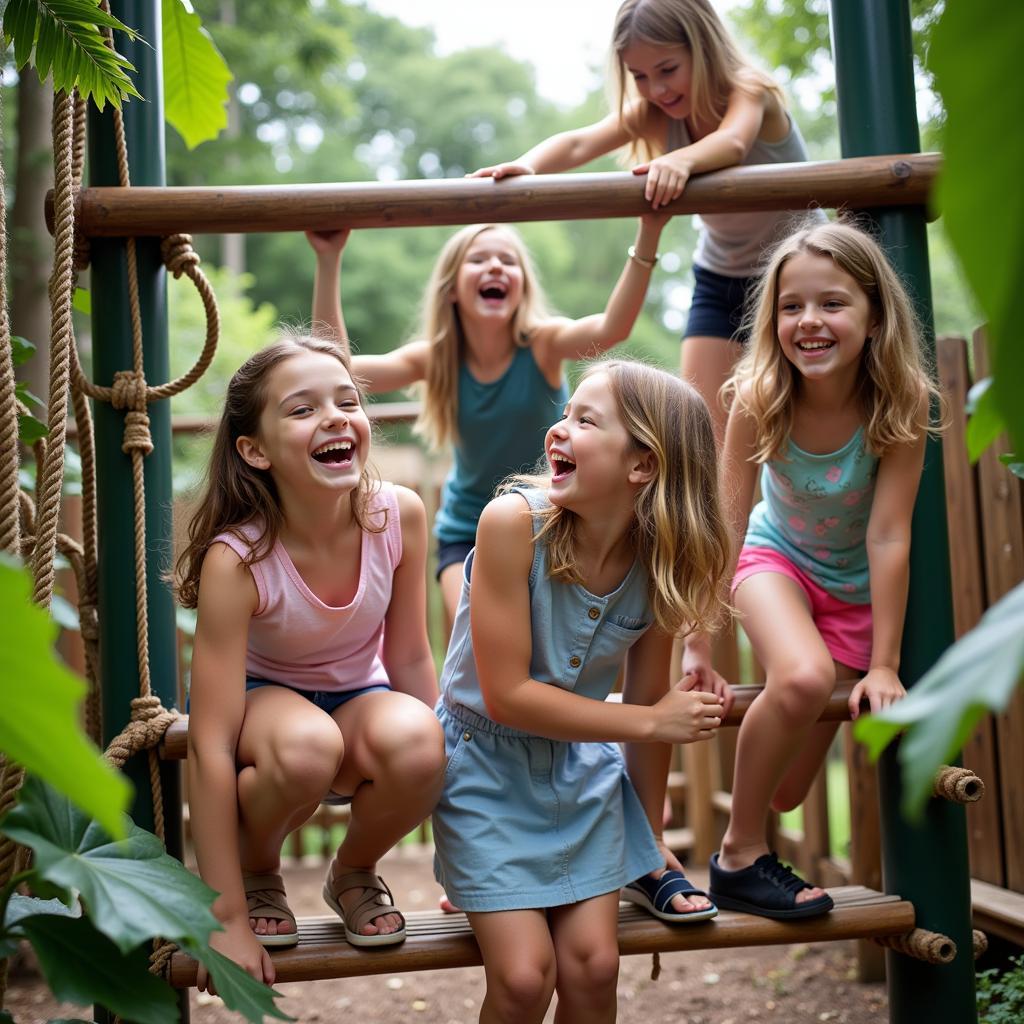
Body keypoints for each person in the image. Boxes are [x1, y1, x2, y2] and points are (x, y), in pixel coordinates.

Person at [433, 358, 733, 1024]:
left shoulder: (661, 561)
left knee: (595, 969)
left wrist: (649, 844)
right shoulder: (512, 524)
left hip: (583, 777)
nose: (557, 429)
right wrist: (651, 723)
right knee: (521, 977)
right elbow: (507, 695)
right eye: (566, 414)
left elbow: (653, 701)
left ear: (643, 466)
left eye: (585, 420)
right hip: (484, 771)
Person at [175, 332, 446, 988]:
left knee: (420, 741)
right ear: (255, 450)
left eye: (347, 401)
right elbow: (209, 744)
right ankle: (258, 867)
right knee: (306, 747)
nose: (333, 417)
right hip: (263, 708)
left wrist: (464, 856)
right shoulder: (237, 558)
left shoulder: (397, 516)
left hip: (357, 698)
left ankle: (352, 869)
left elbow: (408, 655)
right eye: (301, 410)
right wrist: (226, 918)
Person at [705, 221, 941, 919]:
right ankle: (738, 856)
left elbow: (890, 533)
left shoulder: (899, 401)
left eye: (832, 303)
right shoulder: (758, 397)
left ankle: (756, 830)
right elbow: (727, 520)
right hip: (774, 559)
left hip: (853, 594)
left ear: (873, 318)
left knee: (789, 789)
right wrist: (696, 640)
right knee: (802, 677)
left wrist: (886, 664)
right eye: (790, 305)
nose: (809, 321)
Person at [471, 0, 824, 446]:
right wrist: (528, 165)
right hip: (721, 278)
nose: (655, 88)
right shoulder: (654, 114)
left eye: (667, 69)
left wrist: (681, 160)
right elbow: (581, 143)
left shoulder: (749, 90)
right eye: (639, 76)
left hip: (798, 277)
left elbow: (733, 142)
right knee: (703, 429)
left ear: (703, 47)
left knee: (801, 413)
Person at [306, 214, 667, 637]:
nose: (495, 267)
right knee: (481, 633)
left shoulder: (543, 345)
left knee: (548, 647)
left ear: (522, 287)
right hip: (468, 531)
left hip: (553, 522)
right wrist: (328, 260)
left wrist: (649, 231)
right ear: (453, 288)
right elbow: (332, 367)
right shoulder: (436, 359)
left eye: (508, 260)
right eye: (479, 259)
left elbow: (611, 328)